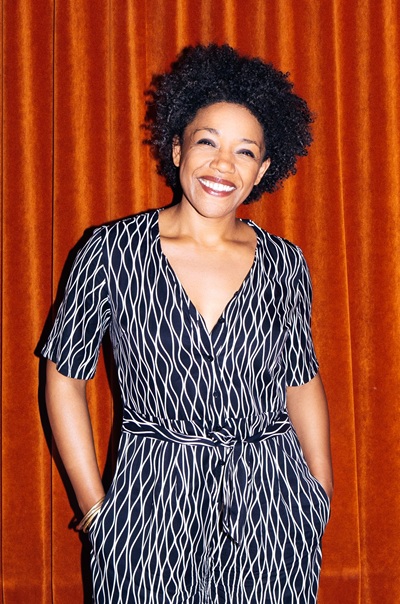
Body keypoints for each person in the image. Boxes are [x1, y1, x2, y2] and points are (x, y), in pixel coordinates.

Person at [43, 43, 333, 603]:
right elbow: (64, 379)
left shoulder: (285, 263)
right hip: (149, 502)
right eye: (207, 142)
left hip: (272, 502)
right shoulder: (110, 252)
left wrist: (317, 491)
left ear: (262, 170)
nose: (223, 165)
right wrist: (94, 506)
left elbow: (301, 379)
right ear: (176, 147)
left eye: (245, 151)